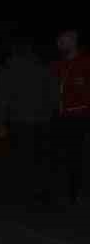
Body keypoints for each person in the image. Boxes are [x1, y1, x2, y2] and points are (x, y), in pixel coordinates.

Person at [0, 37, 55, 201]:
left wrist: (1, 122)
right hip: (39, 119)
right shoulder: (41, 66)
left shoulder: (11, 67)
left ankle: (24, 191)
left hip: (20, 119)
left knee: (22, 156)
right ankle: (37, 190)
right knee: (37, 156)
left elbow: (2, 98)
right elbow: (52, 94)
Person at [50, 27, 90, 206]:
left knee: (77, 155)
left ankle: (75, 193)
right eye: (59, 40)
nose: (59, 43)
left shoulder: (86, 62)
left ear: (73, 40)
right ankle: (63, 191)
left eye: (63, 40)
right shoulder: (58, 64)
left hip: (80, 115)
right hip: (60, 115)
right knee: (61, 154)